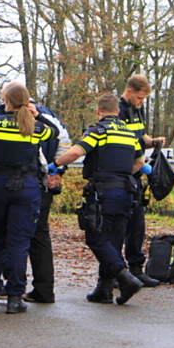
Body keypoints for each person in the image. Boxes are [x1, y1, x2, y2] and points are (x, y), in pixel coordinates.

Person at [49, 94, 146, 305]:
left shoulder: (98, 131)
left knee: (96, 237)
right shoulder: (130, 134)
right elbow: (139, 161)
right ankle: (104, 289)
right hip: (127, 192)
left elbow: (76, 152)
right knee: (114, 239)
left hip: (104, 192)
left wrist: (54, 164)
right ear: (118, 112)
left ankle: (125, 277)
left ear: (99, 112)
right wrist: (122, 175)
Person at [0, 84, 59, 314]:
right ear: (27, 102)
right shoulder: (36, 127)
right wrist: (36, 114)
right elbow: (55, 132)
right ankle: (14, 298)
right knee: (19, 244)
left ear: (6, 102)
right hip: (26, 187)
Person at [0, 81, 72, 304]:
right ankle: (42, 289)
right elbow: (64, 142)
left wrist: (56, 171)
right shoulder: (47, 116)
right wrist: (57, 172)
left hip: (21, 183)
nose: (3, 102)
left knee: (12, 235)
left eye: (4, 97)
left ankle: (15, 286)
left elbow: (62, 141)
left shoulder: (4, 117)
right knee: (38, 238)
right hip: (40, 184)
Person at [119, 75, 166, 287]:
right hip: (122, 174)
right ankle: (117, 273)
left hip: (137, 174)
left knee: (137, 225)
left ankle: (136, 269)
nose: (142, 102)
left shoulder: (136, 110)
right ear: (129, 93)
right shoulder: (118, 110)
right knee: (119, 227)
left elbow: (141, 136)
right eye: (139, 98)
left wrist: (152, 141)